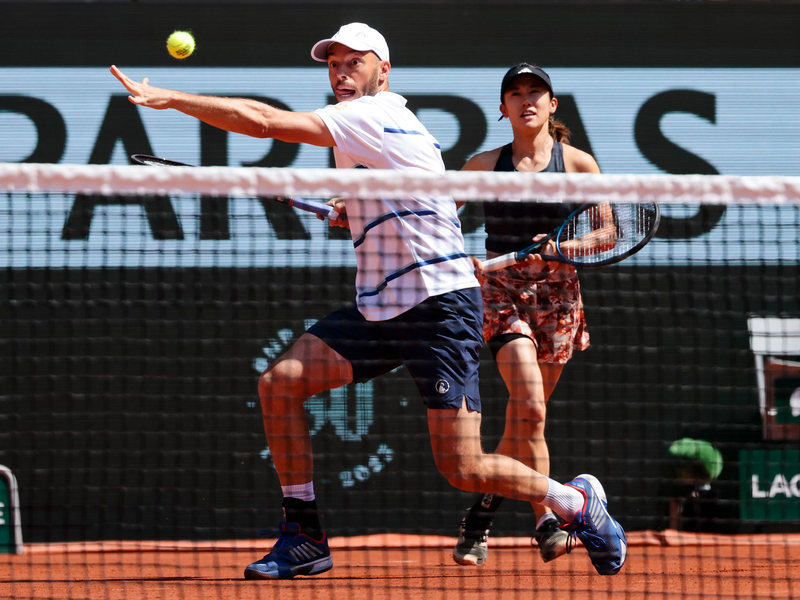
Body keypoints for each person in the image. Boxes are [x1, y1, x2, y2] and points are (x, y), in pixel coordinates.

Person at [110, 28, 626, 580]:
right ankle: (305, 537)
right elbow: (411, 199)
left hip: (437, 307)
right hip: (382, 306)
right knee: (280, 382)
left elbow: (261, 122)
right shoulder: (359, 132)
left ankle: (576, 504)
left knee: (463, 466)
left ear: (384, 70)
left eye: (354, 62)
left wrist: (171, 99)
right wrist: (351, 209)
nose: (340, 72)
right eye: (332, 63)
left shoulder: (375, 114)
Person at [452, 63, 605, 567]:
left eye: (535, 91)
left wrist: (560, 248)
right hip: (500, 294)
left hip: (560, 296)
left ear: (552, 104)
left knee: (524, 420)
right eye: (515, 93)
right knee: (531, 407)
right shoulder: (481, 165)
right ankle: (547, 521)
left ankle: (482, 512)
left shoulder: (578, 164)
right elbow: (435, 217)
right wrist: (461, 257)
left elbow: (607, 232)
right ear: (503, 109)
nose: (526, 100)